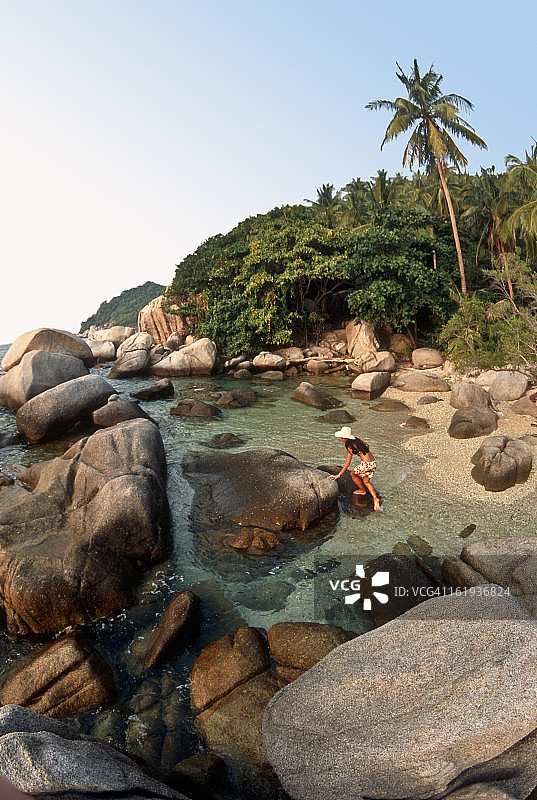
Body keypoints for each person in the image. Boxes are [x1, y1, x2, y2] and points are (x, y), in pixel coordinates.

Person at [331, 426, 381, 511]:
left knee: (352, 474)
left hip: (366, 465)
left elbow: (347, 463)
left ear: (346, 438)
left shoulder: (349, 446)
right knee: (366, 481)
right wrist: (363, 454)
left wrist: (339, 475)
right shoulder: (357, 440)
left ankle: (362, 490)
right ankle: (375, 499)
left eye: (341, 437)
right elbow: (367, 445)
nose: (340, 439)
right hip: (373, 463)